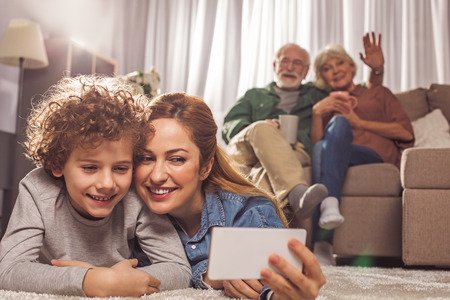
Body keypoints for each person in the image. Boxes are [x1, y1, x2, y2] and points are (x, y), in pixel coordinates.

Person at [0, 75, 191, 297]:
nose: (107, 184)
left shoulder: (135, 195)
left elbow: (179, 269)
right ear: (57, 164)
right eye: (90, 168)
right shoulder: (37, 189)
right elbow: (8, 269)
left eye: (120, 168)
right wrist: (88, 280)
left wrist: (118, 280)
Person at [133, 92, 326, 300]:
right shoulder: (125, 208)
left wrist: (282, 294)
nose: (157, 175)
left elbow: (275, 284)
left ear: (205, 167)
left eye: (177, 159)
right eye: (146, 158)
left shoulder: (248, 212)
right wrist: (209, 275)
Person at [222, 33, 384, 223]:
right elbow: (229, 124)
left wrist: (377, 70)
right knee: (262, 129)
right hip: (247, 146)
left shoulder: (317, 95)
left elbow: (362, 93)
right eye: (285, 61)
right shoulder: (255, 95)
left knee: (265, 171)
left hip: (293, 150)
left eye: (297, 63)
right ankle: (298, 194)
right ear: (275, 66)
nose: (290, 67)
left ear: (306, 71)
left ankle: (261, 229)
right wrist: (263, 128)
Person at [310, 40, 414, 266]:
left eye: (340, 63)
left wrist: (359, 122)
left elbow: (405, 132)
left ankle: (322, 240)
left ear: (352, 67)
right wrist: (317, 113)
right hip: (341, 160)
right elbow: (318, 148)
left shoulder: (378, 92)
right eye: (327, 68)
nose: (335, 70)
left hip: (375, 158)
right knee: (321, 145)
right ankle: (325, 238)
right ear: (322, 77)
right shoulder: (328, 104)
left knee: (337, 125)